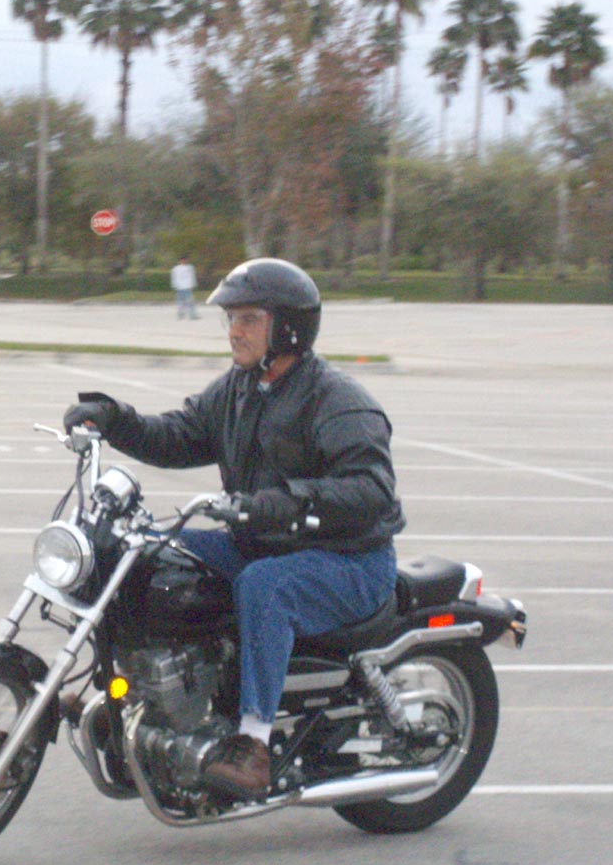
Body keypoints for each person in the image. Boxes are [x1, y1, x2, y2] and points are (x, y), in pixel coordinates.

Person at [63, 258, 404, 802]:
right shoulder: (240, 389)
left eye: (248, 319)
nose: (234, 331)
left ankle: (253, 744)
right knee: (145, 553)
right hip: (262, 544)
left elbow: (371, 490)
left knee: (265, 586)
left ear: (287, 328)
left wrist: (280, 503)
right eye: (231, 319)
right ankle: (128, 695)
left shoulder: (338, 400)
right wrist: (115, 419)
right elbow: (179, 435)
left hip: (350, 561)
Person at [170, 254, 199, 320]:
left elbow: (192, 276)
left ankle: (192, 315)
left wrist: (193, 284)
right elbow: (174, 278)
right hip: (179, 287)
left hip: (187, 286)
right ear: (180, 261)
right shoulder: (176, 269)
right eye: (183, 260)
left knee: (190, 301)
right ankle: (180, 315)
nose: (184, 261)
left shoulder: (190, 267)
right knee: (180, 302)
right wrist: (174, 286)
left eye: (185, 260)